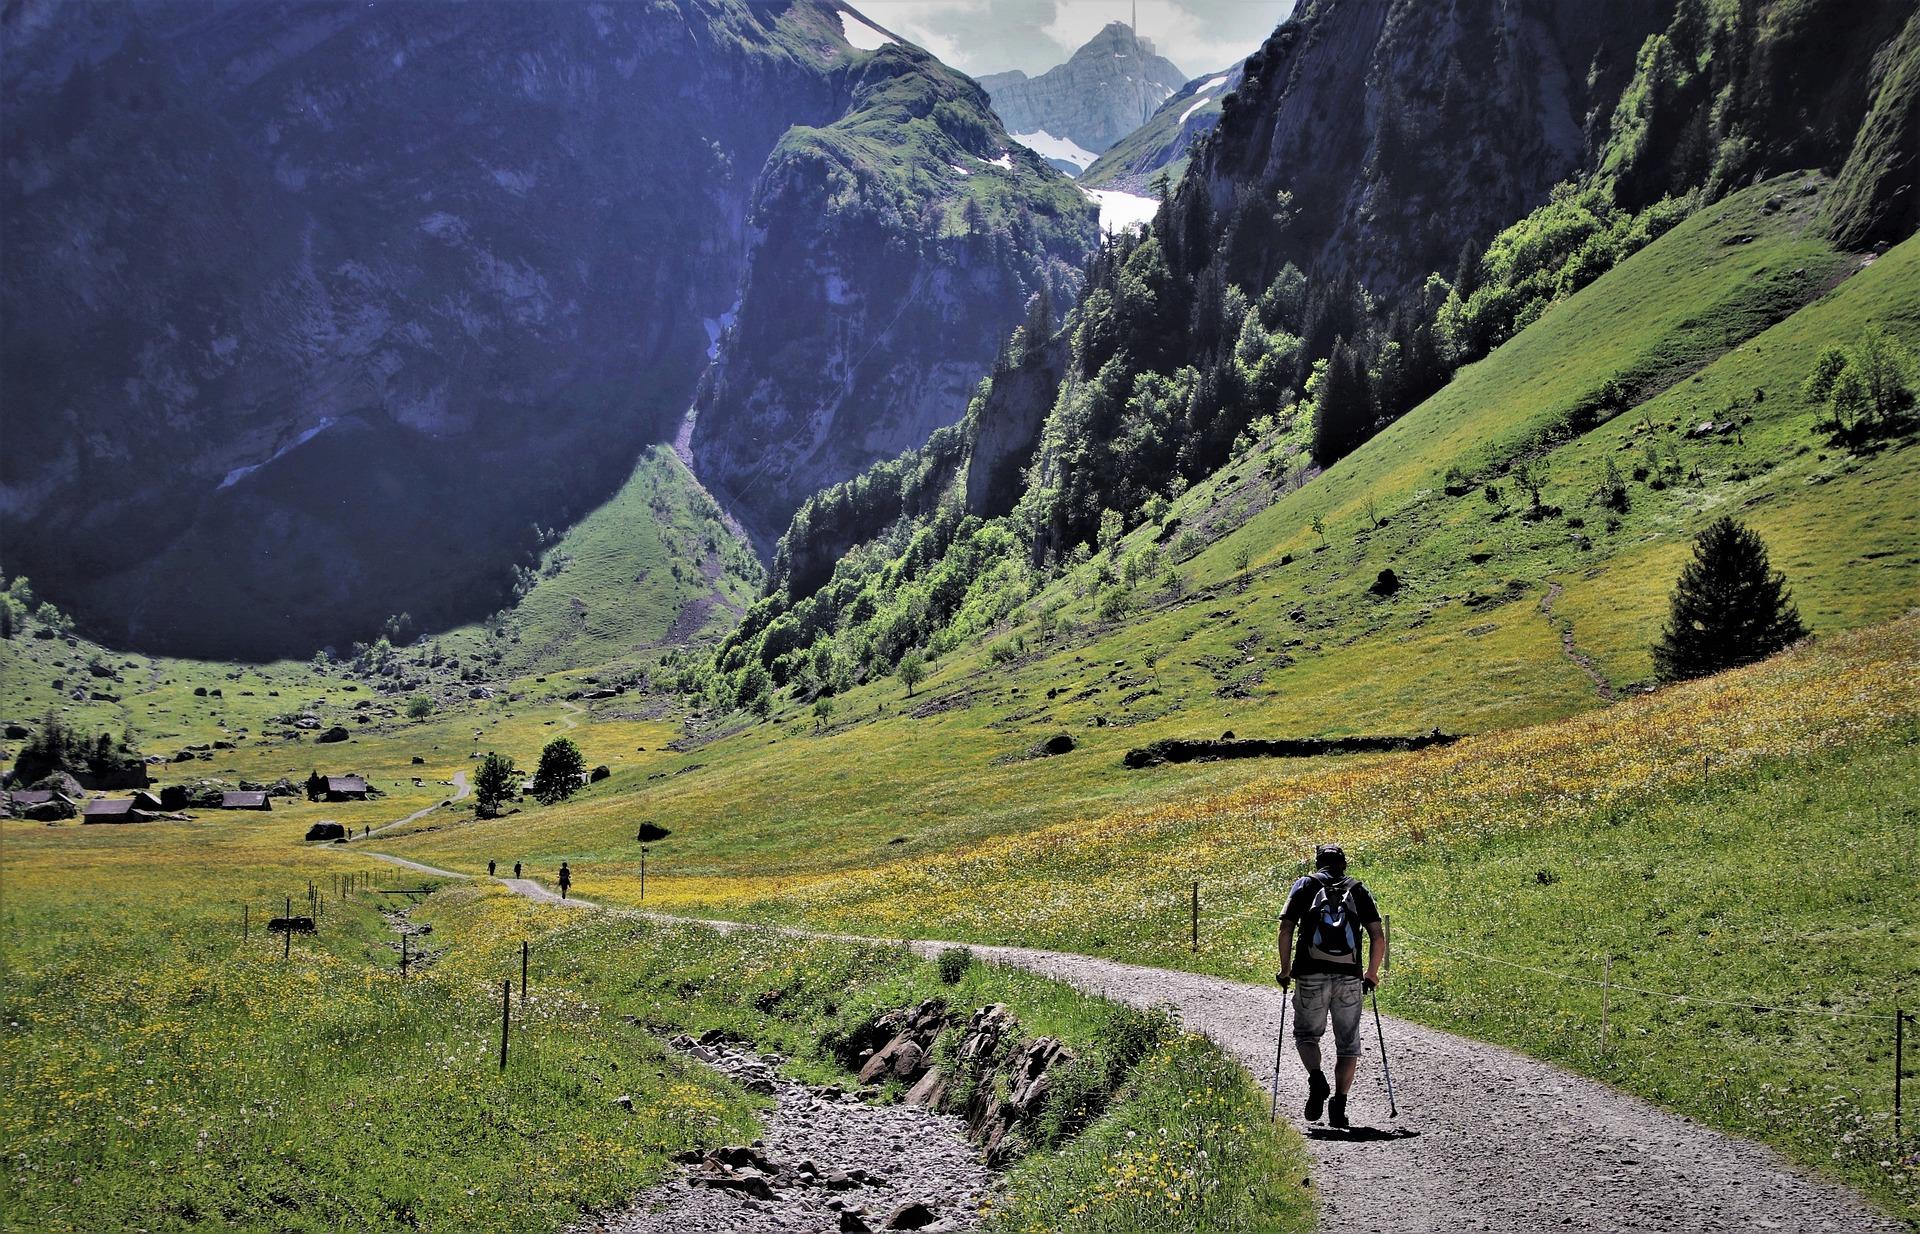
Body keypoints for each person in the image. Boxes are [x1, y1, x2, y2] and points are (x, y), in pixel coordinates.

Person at [1277, 843, 1385, 1129]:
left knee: (1305, 1034)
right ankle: (1339, 1103)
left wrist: (1286, 969)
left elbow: (1286, 927)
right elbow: (1377, 935)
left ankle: (1317, 1079)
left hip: (1310, 974)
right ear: (1344, 864)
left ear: (1317, 863)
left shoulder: (1305, 885)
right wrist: (1371, 973)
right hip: (1349, 977)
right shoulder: (1357, 889)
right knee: (1348, 1044)